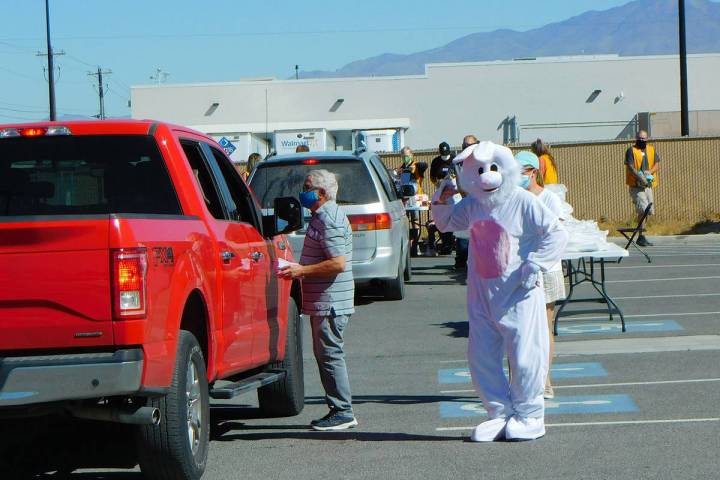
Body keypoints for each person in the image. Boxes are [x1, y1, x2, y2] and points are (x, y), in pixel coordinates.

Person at [432, 141, 567, 442]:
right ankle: (499, 412)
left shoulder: (522, 201)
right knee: (481, 355)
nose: (487, 176)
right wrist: (442, 200)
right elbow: (445, 224)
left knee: (525, 354)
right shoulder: (473, 205)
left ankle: (530, 414)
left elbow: (556, 233)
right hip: (482, 294)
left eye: (493, 169)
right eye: (479, 170)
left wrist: (536, 264)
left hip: (517, 291)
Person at [277, 169, 357, 431]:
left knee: (330, 354)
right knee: (327, 354)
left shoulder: (329, 218)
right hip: (326, 300)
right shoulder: (323, 216)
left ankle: (342, 411)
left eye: (308, 187)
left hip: (330, 300)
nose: (303, 191)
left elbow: (337, 263)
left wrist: (301, 271)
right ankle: (339, 409)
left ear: (321, 193)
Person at [516, 151, 566, 399]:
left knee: (545, 327)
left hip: (546, 269)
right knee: (518, 328)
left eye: (520, 172)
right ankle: (518, 381)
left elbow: (554, 234)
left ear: (533, 172)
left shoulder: (550, 199)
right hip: (519, 268)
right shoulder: (513, 198)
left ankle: (545, 380)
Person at [625, 130, 659, 246]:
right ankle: (640, 236)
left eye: (643, 138)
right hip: (636, 186)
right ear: (636, 138)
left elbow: (656, 164)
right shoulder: (631, 151)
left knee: (648, 211)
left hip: (648, 186)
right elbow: (630, 166)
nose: (641, 140)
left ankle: (642, 235)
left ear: (647, 139)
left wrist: (649, 172)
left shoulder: (651, 149)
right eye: (640, 138)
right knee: (643, 209)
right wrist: (640, 177)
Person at [452, 135, 479, 270]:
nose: (466, 149)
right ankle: (461, 262)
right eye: (464, 146)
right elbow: (460, 184)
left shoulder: (481, 160)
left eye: (469, 146)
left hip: (480, 201)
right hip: (466, 201)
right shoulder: (459, 162)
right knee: (463, 234)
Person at [399, 146, 428, 257]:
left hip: (415, 197)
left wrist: (414, 167)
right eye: (403, 156)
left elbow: (424, 165)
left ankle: (416, 243)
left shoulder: (416, 166)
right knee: (405, 220)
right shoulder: (402, 167)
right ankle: (408, 243)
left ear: (411, 155)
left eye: (407, 156)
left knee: (415, 220)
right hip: (405, 198)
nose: (405, 158)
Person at [429, 142, 455, 254]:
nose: (445, 157)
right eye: (443, 155)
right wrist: (438, 183)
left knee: (452, 216)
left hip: (453, 192)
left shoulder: (454, 160)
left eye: (446, 154)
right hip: (441, 192)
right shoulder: (436, 161)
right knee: (442, 217)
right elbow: (432, 177)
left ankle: (451, 242)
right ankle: (445, 243)